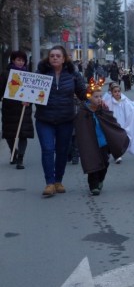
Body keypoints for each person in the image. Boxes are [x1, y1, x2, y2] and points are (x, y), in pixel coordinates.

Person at [35, 46, 87, 197]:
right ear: (48, 58)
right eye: (52, 56)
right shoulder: (40, 74)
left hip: (65, 119)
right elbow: (29, 93)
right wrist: (25, 100)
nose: (55, 58)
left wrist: (94, 99)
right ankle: (49, 183)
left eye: (58, 56)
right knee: (48, 149)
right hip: (44, 119)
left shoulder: (72, 75)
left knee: (62, 151)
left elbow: (82, 93)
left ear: (64, 59)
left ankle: (58, 180)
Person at [74, 78, 129, 195]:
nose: (99, 99)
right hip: (90, 143)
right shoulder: (83, 111)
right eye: (96, 97)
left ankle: (100, 179)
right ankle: (93, 185)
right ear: (89, 97)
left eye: (100, 96)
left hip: (103, 142)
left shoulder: (103, 109)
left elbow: (111, 122)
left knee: (105, 162)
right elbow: (80, 127)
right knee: (92, 164)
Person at [0, 50, 34, 169]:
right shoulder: (5, 74)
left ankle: (20, 158)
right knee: (10, 134)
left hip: (24, 108)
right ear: (13, 60)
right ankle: (13, 152)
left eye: (23, 60)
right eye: (18, 60)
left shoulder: (29, 75)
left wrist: (30, 100)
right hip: (9, 109)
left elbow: (35, 93)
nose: (20, 62)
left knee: (23, 134)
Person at [104, 83, 134, 163]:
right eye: (115, 92)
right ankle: (113, 154)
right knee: (113, 139)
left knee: (120, 139)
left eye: (118, 91)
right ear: (112, 93)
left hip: (123, 123)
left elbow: (132, 107)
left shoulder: (125, 100)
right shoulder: (108, 102)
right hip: (113, 123)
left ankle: (118, 155)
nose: (117, 93)